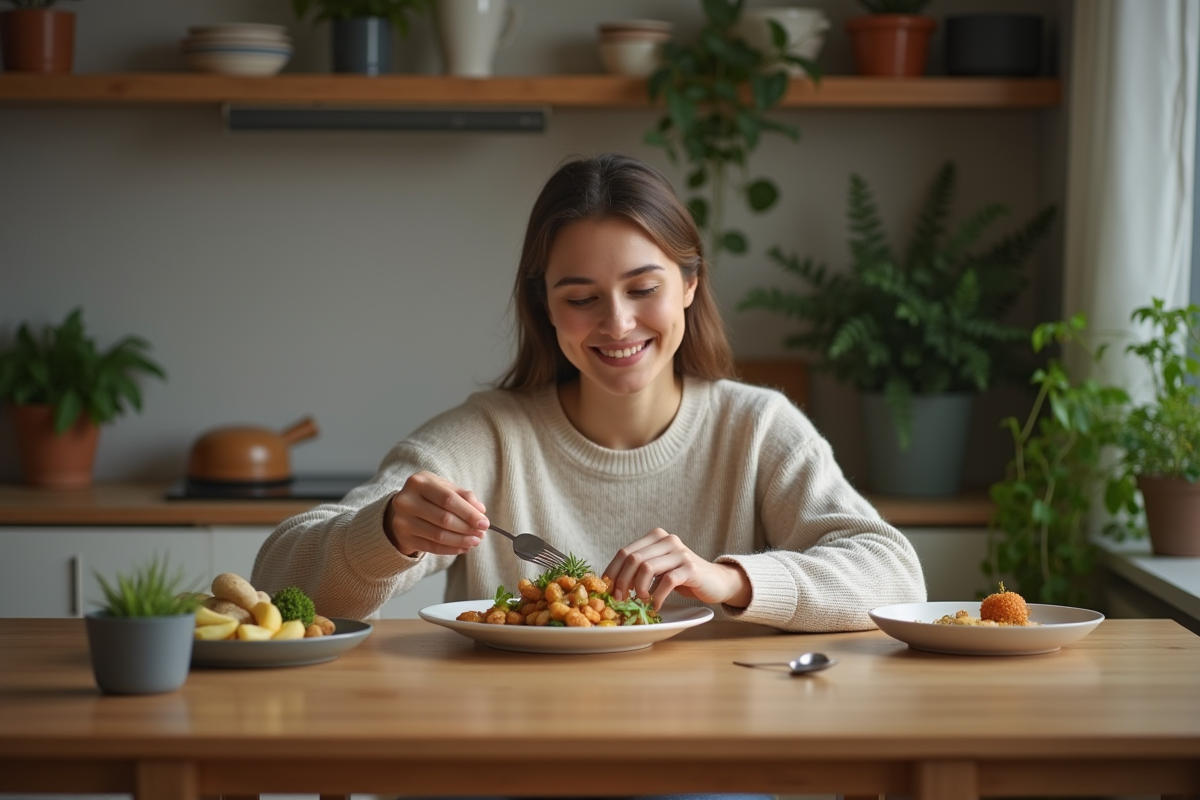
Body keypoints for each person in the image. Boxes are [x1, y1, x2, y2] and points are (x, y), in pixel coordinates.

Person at [252, 152, 925, 635]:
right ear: (543, 305)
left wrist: (730, 580)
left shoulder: (755, 428)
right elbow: (280, 580)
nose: (618, 323)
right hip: (511, 748)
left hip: (703, 749)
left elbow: (894, 574)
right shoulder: (486, 438)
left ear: (690, 284)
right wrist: (389, 533)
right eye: (581, 298)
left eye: (643, 289)